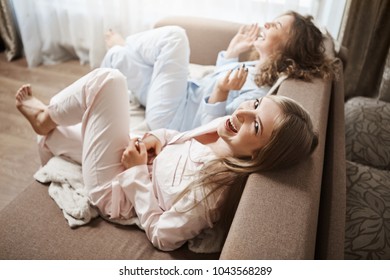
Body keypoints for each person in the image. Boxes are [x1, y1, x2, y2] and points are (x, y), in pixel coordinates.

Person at [16, 68, 318, 251]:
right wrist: (155, 139)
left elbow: (163, 236)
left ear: (259, 155)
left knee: (109, 81)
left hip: (116, 189)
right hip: (135, 155)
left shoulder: (210, 193)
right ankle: (48, 127)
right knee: (50, 138)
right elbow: (177, 136)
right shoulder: (226, 131)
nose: (241, 113)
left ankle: (45, 115)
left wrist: (136, 173)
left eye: (256, 124)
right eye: (256, 103)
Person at [101, 10, 334, 132]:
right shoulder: (255, 68)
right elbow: (216, 81)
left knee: (175, 37)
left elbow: (215, 126)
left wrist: (222, 91)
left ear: (289, 47)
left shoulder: (258, 95)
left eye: (276, 26)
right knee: (119, 59)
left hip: (174, 119)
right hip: (177, 96)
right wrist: (232, 52)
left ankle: (124, 43)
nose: (265, 25)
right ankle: (121, 50)